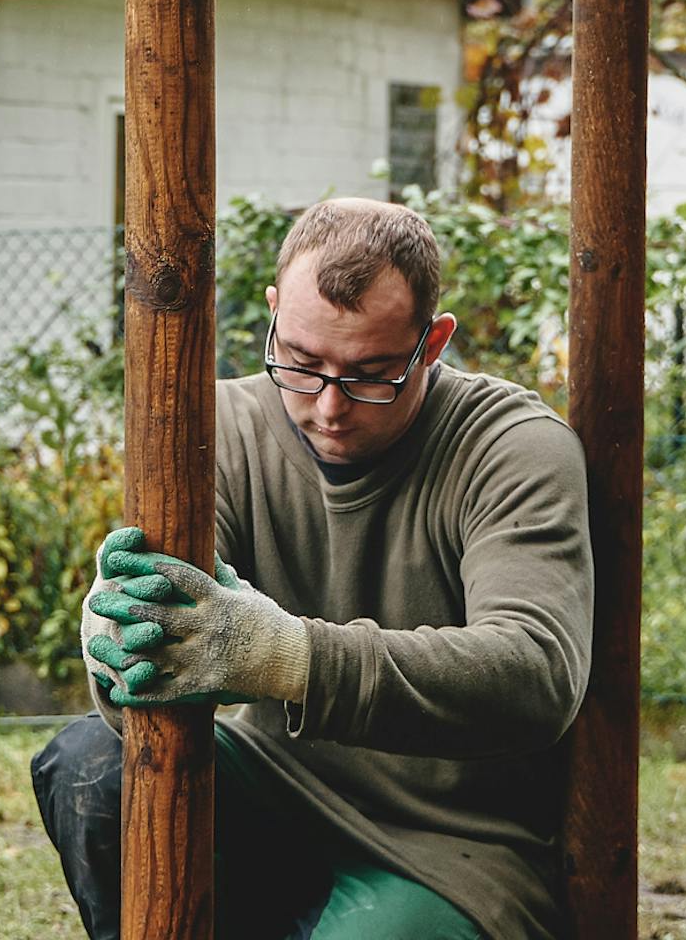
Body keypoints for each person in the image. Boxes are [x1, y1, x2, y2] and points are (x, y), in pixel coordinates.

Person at [32, 197, 593, 940]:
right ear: (271, 314)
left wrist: (291, 658)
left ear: (434, 341)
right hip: (271, 781)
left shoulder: (514, 448)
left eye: (371, 373)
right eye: (300, 363)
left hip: (450, 845)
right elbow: (173, 617)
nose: (329, 407)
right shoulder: (218, 429)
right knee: (89, 768)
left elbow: (535, 673)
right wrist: (127, 636)